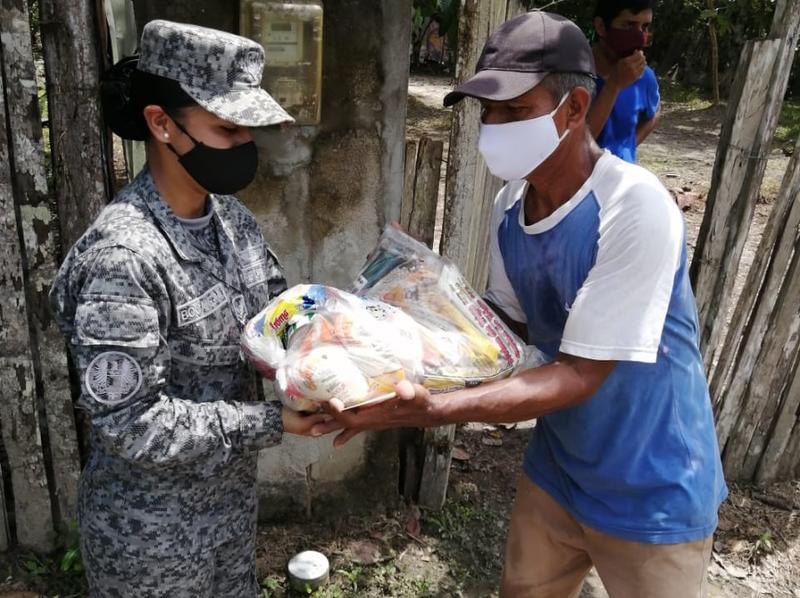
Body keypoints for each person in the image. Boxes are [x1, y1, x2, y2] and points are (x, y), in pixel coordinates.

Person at [313, 11, 726, 598]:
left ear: (575, 109)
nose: (494, 128)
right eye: (488, 113)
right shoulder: (512, 204)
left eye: (514, 111)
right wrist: (407, 321)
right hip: (560, 466)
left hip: (652, 483)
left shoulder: (635, 208)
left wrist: (429, 409)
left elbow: (580, 372)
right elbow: (504, 329)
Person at [50, 20, 330, 597]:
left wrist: (346, 338)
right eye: (228, 129)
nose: (244, 147)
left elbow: (273, 317)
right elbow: (132, 423)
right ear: (161, 123)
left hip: (227, 516)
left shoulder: (231, 221)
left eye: (248, 131)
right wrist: (272, 420)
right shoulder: (125, 257)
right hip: (150, 542)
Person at [588, 0, 661, 163]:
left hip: (619, 182)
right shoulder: (575, 71)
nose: (638, 36)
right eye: (628, 25)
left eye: (644, 27)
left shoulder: (644, 76)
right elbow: (577, 141)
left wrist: (629, 147)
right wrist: (614, 85)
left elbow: (655, 112)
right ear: (601, 26)